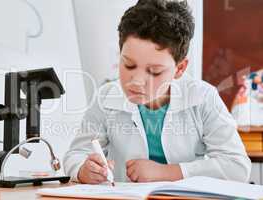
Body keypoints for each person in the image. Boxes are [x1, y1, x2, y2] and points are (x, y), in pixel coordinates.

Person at [63, 0, 251, 183]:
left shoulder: (203, 97)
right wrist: (83, 170)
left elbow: (237, 167)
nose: (136, 81)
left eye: (154, 71)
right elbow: (76, 154)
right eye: (128, 65)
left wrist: (167, 172)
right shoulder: (106, 97)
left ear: (180, 69)